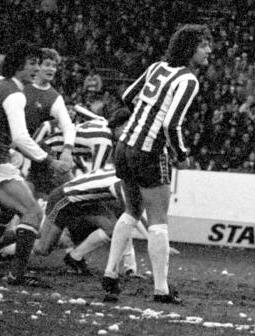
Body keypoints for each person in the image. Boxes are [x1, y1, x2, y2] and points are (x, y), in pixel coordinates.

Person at [100, 24, 211, 305]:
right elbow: (171, 123)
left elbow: (127, 97)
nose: (209, 50)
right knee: (159, 221)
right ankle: (161, 289)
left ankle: (110, 273)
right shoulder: (188, 80)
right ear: (189, 50)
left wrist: (141, 115)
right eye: (203, 45)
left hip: (124, 147)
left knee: (131, 211)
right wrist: (182, 154)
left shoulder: (156, 67)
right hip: (149, 152)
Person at [0, 41, 70, 286]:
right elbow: (21, 138)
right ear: (18, 66)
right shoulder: (14, 94)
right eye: (32, 63)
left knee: (7, 206)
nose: (36, 68)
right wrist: (49, 162)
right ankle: (18, 274)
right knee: (32, 211)